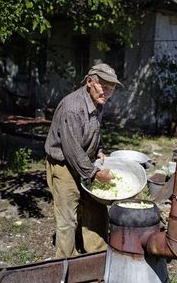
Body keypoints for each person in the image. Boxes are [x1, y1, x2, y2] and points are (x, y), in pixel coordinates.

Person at [44, 63, 122, 258]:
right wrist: (95, 173)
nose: (108, 92)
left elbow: (92, 131)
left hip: (84, 161)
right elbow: (71, 149)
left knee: (96, 207)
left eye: (111, 89)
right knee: (68, 215)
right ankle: (65, 262)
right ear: (89, 82)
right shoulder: (72, 107)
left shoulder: (98, 101)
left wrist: (99, 151)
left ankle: (97, 255)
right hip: (63, 164)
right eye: (104, 86)